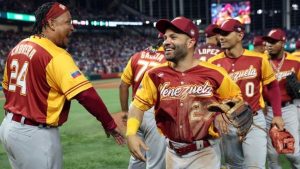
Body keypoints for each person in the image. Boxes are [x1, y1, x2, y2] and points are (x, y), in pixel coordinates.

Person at [0, 2, 125, 169]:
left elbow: (7, 89)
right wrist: (109, 124)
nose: (72, 27)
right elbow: (86, 94)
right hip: (35, 134)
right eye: (68, 22)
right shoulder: (55, 54)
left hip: (9, 127)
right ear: (51, 24)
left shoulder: (17, 48)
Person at [126, 16, 243, 169]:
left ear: (190, 42)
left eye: (173, 37)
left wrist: (223, 110)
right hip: (171, 152)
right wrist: (131, 132)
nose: (166, 41)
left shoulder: (215, 73)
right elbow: (138, 105)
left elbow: (237, 98)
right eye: (165, 37)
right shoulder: (154, 74)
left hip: (205, 153)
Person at [208, 19, 284, 169]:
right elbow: (209, 95)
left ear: (240, 35)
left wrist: (277, 114)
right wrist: (217, 115)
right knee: (234, 166)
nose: (221, 37)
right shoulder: (213, 63)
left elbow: (273, 86)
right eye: (219, 34)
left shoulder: (259, 59)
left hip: (254, 120)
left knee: (255, 166)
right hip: (227, 122)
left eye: (225, 33)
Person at [119, 35, 167, 169]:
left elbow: (123, 85)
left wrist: (124, 111)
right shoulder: (168, 58)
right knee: (156, 161)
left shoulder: (137, 56)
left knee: (137, 157)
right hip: (154, 110)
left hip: (135, 108)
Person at [263, 28, 300, 168]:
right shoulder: (261, 61)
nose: (269, 45)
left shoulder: (295, 62)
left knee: (293, 152)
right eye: (267, 42)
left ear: (283, 43)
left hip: (288, 108)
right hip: (266, 110)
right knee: (272, 154)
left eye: (273, 42)